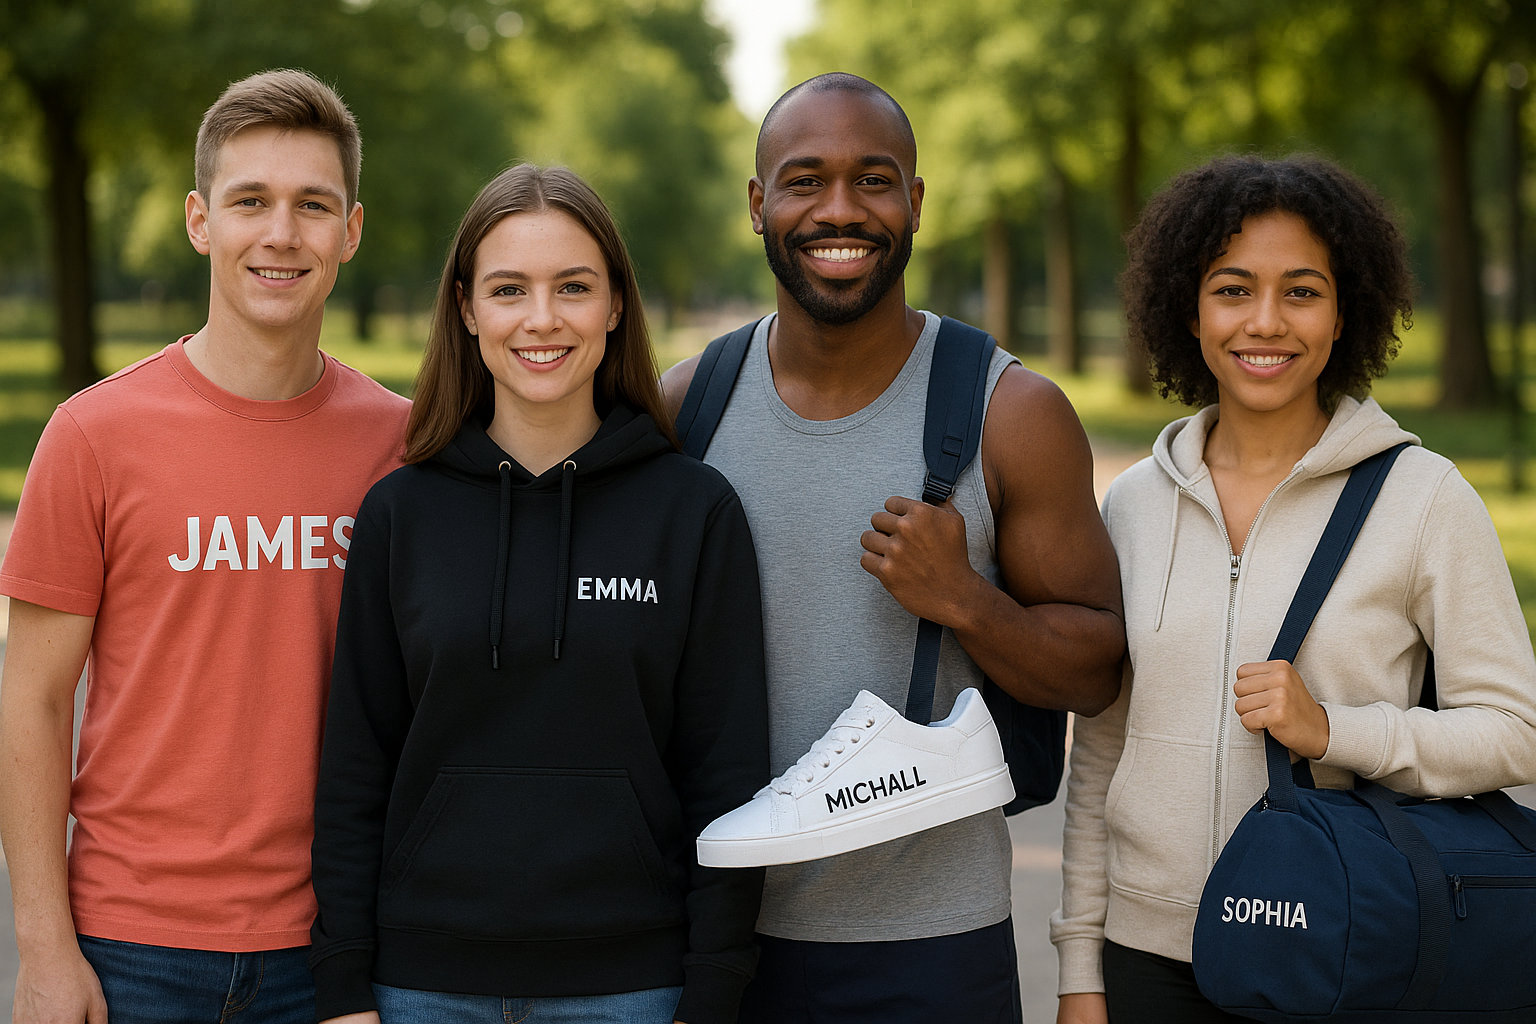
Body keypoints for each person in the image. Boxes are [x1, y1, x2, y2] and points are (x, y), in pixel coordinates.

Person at [661, 73, 1126, 1024]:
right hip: (711, 935)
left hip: (931, 947)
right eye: (804, 180)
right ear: (758, 205)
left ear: (916, 201)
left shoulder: (1011, 413)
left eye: (874, 180)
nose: (840, 210)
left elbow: (1097, 671)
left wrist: (966, 599)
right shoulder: (685, 408)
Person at [1051, 155, 1536, 1023]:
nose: (1265, 322)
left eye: (1301, 292)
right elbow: (1100, 752)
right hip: (1143, 959)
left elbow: (1515, 733)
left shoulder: (1424, 499)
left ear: (1345, 310)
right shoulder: (1131, 503)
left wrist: (1335, 731)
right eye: (1233, 289)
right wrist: (1080, 965)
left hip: (1334, 948)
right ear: (1187, 308)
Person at [307, 163, 769, 1024]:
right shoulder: (400, 512)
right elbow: (354, 769)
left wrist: (713, 990)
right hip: (420, 987)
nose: (542, 319)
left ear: (617, 305)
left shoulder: (692, 511)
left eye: (574, 287)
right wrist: (341, 985)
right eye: (509, 289)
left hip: (633, 986)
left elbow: (728, 774)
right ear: (468, 308)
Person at [0, 69, 410, 1024]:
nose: (281, 233)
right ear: (199, 220)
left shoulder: (399, 447)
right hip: (129, 945)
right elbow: (33, 698)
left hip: (333, 947)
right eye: (250, 201)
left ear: (351, 230)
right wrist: (43, 949)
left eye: (313, 205)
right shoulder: (93, 435)